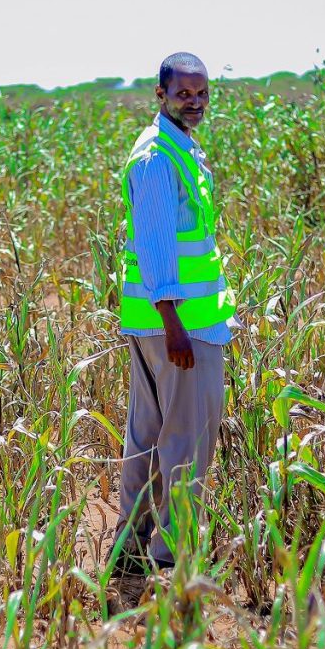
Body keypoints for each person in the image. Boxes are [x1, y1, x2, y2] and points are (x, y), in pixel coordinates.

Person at [108, 52, 237, 613]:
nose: (195, 101)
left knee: (149, 437)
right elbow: (158, 247)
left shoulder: (177, 149)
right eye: (184, 92)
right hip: (179, 327)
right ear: (160, 95)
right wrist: (176, 325)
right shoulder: (159, 158)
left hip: (162, 324)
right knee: (188, 443)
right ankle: (169, 561)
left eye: (203, 92)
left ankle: (130, 553)